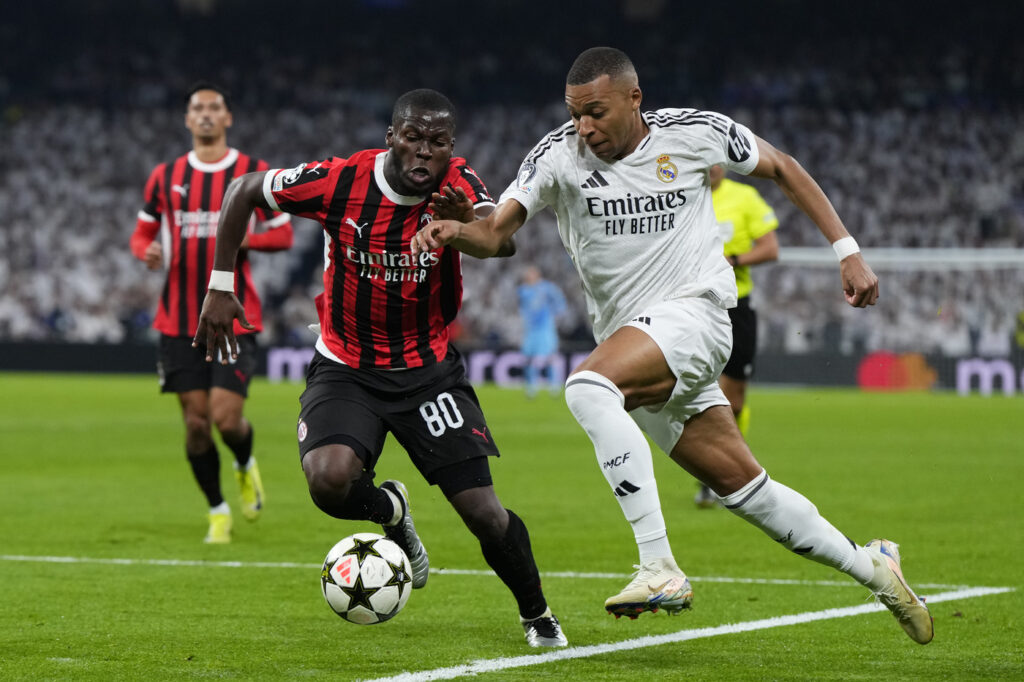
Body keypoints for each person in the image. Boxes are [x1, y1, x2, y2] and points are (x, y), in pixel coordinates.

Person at [411, 48, 932, 644]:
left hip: (697, 315)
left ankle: (658, 565)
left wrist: (848, 251)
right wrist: (457, 230)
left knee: (587, 388)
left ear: (634, 98)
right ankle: (875, 568)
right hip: (636, 342)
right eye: (575, 113)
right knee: (748, 493)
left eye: (596, 112)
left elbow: (783, 167)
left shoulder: (693, 133)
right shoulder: (557, 155)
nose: (584, 126)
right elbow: (494, 233)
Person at [193, 89, 567, 648]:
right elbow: (243, 189)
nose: (424, 151)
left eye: (437, 142)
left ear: (451, 147)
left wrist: (460, 226)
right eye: (412, 137)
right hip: (346, 366)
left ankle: (537, 615)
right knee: (329, 481)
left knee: (483, 514)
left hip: (427, 372)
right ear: (392, 137)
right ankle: (391, 509)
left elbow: (500, 242)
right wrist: (221, 285)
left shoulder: (458, 183)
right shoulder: (338, 181)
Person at [131, 82, 293, 544]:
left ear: (227, 118)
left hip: (232, 315)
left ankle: (244, 462)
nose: (205, 114)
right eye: (197, 108)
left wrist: (246, 239)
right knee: (196, 424)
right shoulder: (165, 176)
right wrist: (145, 251)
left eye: (213, 107)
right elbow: (141, 234)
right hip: (177, 319)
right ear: (187, 119)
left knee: (226, 419)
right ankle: (218, 510)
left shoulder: (253, 171)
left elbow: (283, 234)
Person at [694, 165, 780, 509]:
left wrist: (734, 259)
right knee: (696, 392)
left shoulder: (745, 198)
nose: (712, 167)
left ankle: (727, 472)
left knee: (735, 399)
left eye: (717, 161)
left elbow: (771, 249)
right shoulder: (683, 194)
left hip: (735, 306)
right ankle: (710, 476)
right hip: (693, 305)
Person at [517, 265, 567, 397]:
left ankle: (554, 385)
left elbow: (560, 301)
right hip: (530, 329)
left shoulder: (546, 288)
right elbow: (522, 308)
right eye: (528, 274)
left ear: (538, 275)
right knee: (528, 357)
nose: (529, 276)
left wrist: (557, 315)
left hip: (545, 328)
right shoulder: (523, 290)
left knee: (550, 357)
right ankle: (531, 386)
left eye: (532, 273)